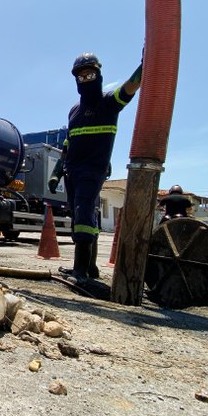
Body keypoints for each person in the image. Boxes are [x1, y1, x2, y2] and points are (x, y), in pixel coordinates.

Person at [53, 52, 143, 285]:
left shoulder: (108, 103)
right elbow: (68, 143)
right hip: (72, 172)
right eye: (81, 76)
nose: (85, 80)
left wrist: (144, 66)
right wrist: (56, 172)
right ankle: (89, 267)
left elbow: (130, 87)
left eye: (90, 75)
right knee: (79, 216)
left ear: (99, 75)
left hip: (93, 170)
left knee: (83, 214)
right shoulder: (74, 111)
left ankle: (80, 271)